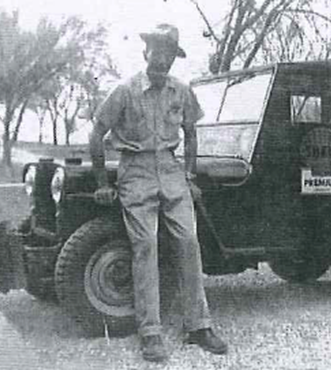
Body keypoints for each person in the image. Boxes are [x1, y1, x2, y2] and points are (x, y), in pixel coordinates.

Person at [89, 23, 227, 363]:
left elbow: (191, 132)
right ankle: (150, 331)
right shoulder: (125, 90)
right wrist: (101, 184)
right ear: (145, 52)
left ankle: (199, 325)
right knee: (145, 244)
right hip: (134, 170)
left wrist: (190, 174)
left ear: (173, 58)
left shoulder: (181, 91)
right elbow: (97, 132)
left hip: (170, 168)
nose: (162, 58)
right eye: (157, 50)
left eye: (169, 52)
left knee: (188, 241)